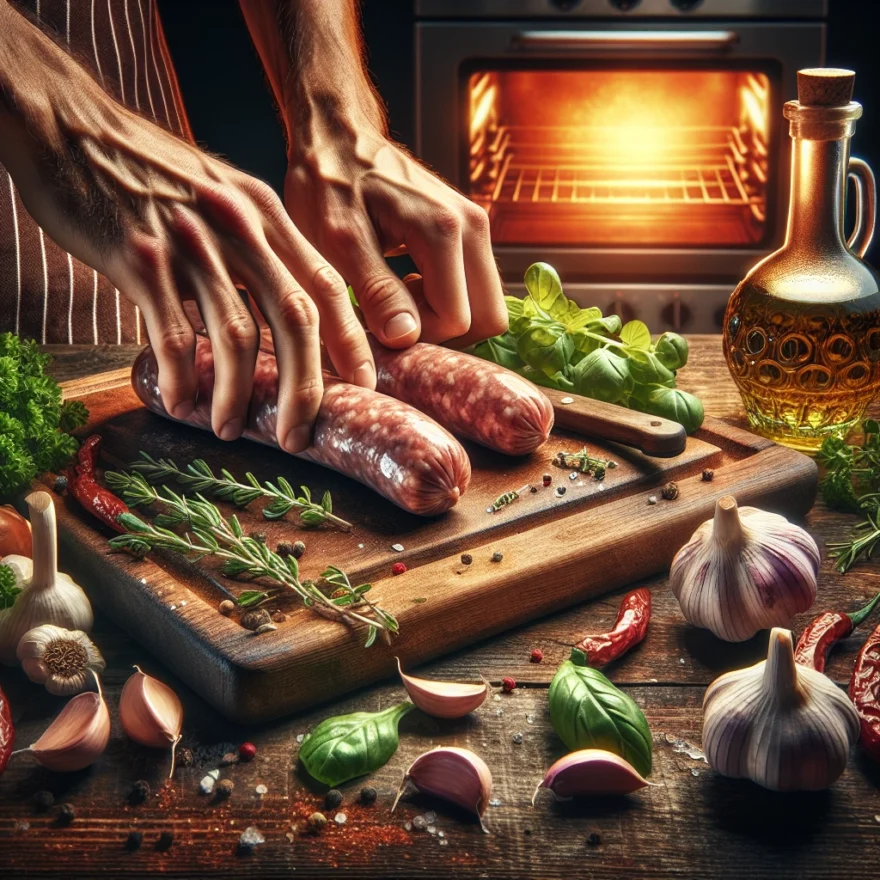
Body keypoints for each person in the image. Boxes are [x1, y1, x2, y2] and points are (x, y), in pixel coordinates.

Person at [0, 0, 507, 453]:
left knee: (168, 384)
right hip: (67, 194)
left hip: (148, 206)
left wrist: (331, 110)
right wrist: (63, 121)